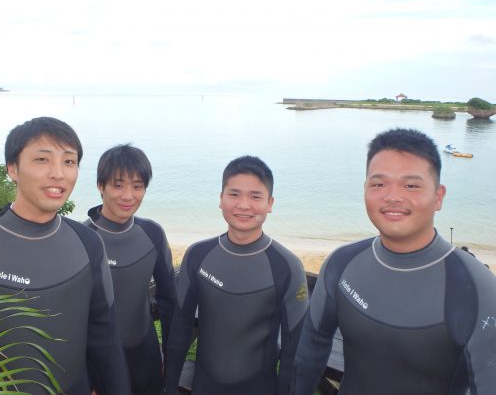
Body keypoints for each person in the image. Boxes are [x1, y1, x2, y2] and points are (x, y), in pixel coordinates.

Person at [0, 117, 131, 395]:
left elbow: (105, 341)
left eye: (69, 162)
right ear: (12, 168)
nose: (58, 173)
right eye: (42, 159)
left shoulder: (88, 243)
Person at [291, 128, 496, 395]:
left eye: (411, 185)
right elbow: (310, 349)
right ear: (365, 189)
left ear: (438, 196)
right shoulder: (342, 263)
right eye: (379, 184)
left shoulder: (476, 287)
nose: (393, 196)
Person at [164, 155, 309, 395]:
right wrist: (169, 388)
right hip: (204, 387)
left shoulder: (286, 267)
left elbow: (293, 352)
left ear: (270, 203)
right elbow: (180, 330)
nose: (243, 205)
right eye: (234, 194)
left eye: (255, 196)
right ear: (221, 199)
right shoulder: (198, 256)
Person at [84, 144, 176, 395]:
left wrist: (170, 356)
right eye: (118, 185)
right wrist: (86, 380)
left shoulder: (152, 233)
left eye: (137, 186)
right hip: (98, 367)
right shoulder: (83, 239)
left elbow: (169, 301)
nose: (128, 196)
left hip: (146, 358)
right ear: (100, 186)